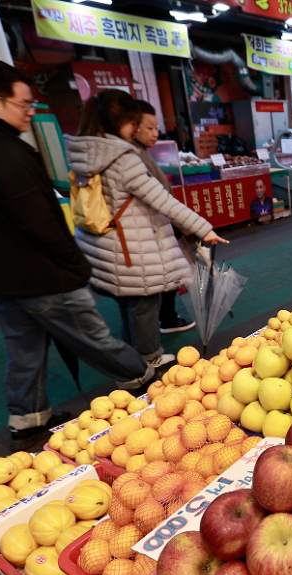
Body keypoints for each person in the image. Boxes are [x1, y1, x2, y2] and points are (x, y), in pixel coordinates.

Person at [0, 59, 155, 451]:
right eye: (23, 104)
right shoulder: (5, 152)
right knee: (94, 337)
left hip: (4, 278)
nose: (30, 111)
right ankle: (147, 382)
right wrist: (76, 266)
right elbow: (38, 222)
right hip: (43, 273)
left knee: (24, 353)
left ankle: (28, 424)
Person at [65, 89, 227, 370]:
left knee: (126, 302)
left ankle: (133, 355)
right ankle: (149, 358)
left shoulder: (85, 153)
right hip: (131, 247)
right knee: (143, 304)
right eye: (133, 122)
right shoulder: (123, 159)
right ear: (118, 122)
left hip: (103, 243)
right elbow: (162, 200)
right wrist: (203, 228)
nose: (136, 129)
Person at [133, 100, 195, 336]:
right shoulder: (132, 157)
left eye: (156, 127)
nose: (155, 133)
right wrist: (183, 225)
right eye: (149, 127)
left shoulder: (139, 153)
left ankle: (165, 319)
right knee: (156, 285)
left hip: (159, 227)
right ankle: (155, 337)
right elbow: (157, 198)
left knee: (166, 278)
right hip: (152, 231)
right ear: (132, 126)